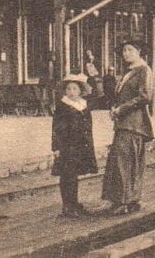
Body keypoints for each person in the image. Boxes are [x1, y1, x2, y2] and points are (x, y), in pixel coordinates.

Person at [101, 41, 155, 215]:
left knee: (125, 161)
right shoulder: (129, 72)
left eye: (130, 50)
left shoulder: (144, 70)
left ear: (138, 52)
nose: (126, 53)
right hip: (125, 122)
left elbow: (145, 96)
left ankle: (124, 201)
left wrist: (121, 109)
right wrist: (114, 108)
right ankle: (126, 199)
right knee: (122, 160)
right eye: (124, 50)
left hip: (134, 123)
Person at [51, 74, 98, 219]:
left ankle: (74, 203)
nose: (71, 92)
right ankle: (68, 206)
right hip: (67, 146)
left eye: (75, 89)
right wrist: (56, 147)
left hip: (80, 146)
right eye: (69, 89)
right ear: (65, 92)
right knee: (67, 175)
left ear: (80, 91)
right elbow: (56, 128)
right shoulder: (63, 107)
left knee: (74, 174)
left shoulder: (83, 105)